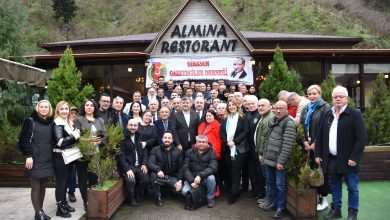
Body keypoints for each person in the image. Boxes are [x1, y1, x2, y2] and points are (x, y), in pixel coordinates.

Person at [315, 86, 366, 220]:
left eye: (341, 96)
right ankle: (336, 210)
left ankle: (352, 212)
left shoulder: (355, 114)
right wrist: (318, 154)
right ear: (332, 99)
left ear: (347, 99)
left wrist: (354, 157)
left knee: (352, 188)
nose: (338, 99)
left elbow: (361, 139)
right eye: (335, 97)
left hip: (349, 160)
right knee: (335, 185)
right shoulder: (328, 113)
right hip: (331, 158)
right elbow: (320, 136)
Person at [259, 101, 296, 219]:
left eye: (281, 109)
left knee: (280, 185)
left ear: (287, 109)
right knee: (271, 183)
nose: (278, 111)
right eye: (276, 108)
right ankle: (274, 203)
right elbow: (268, 140)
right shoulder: (274, 120)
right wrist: (264, 156)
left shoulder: (288, 123)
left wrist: (281, 162)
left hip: (279, 162)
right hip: (269, 159)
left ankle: (281, 208)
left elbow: (288, 144)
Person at [19, 100, 55, 220]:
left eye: (46, 107)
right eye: (42, 107)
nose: (44, 109)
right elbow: (23, 140)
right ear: (37, 108)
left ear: (49, 109)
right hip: (34, 158)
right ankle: (38, 213)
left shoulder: (50, 122)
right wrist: (28, 156)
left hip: (47, 158)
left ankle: (41, 211)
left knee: (43, 186)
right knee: (36, 187)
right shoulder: (30, 121)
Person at [300, 85, 331, 211]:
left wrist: (315, 143)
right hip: (308, 145)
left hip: (320, 146)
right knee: (312, 172)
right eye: (309, 94)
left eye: (314, 93)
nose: (312, 96)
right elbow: (302, 126)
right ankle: (316, 197)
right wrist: (304, 142)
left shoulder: (325, 107)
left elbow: (325, 128)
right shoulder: (307, 107)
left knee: (321, 172)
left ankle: (323, 199)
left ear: (320, 94)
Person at [74, 99, 107, 211]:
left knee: (93, 177)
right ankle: (85, 201)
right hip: (82, 155)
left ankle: (92, 199)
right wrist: (88, 140)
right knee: (83, 179)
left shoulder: (100, 120)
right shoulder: (79, 120)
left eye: (91, 105)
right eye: (87, 105)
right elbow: (76, 137)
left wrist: (100, 141)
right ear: (84, 107)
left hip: (95, 154)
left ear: (95, 108)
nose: (89, 107)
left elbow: (105, 135)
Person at [52, 101, 80, 218]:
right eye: (62, 109)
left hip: (68, 156)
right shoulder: (57, 123)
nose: (64, 111)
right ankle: (59, 208)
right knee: (61, 183)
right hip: (60, 157)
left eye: (66, 109)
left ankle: (64, 203)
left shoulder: (67, 122)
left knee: (65, 182)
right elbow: (60, 142)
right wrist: (74, 135)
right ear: (57, 111)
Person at [220, 100, 249, 205]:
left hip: (239, 148)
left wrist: (235, 142)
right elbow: (221, 132)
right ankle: (233, 189)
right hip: (228, 147)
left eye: (233, 105)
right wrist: (226, 142)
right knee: (230, 170)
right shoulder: (225, 118)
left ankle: (234, 194)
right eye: (230, 105)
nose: (231, 107)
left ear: (237, 106)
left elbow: (245, 131)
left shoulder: (243, 117)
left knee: (236, 170)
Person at [118, 119, 150, 207]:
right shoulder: (122, 138)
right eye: (131, 125)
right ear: (127, 126)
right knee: (131, 181)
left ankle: (136, 193)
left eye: (135, 125)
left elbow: (145, 153)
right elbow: (121, 156)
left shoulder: (140, 136)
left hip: (139, 165)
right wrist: (127, 169)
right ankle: (131, 199)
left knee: (147, 180)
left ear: (137, 127)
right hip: (128, 166)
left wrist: (144, 164)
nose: (133, 127)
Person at [148, 131, 183, 207]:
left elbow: (181, 168)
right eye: (165, 138)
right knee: (153, 175)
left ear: (172, 140)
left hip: (172, 177)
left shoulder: (178, 151)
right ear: (162, 139)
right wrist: (158, 170)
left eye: (169, 138)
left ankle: (167, 190)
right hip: (160, 177)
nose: (167, 139)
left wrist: (180, 181)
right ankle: (158, 197)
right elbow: (150, 163)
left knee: (181, 191)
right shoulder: (155, 149)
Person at [182, 135, 218, 208]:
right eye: (199, 142)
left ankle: (210, 198)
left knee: (211, 178)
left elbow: (213, 167)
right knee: (184, 192)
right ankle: (201, 191)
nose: (201, 144)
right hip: (191, 178)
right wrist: (191, 181)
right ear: (196, 143)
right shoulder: (189, 152)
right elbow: (185, 168)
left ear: (207, 143)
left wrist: (200, 175)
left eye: (203, 142)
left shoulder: (212, 153)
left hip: (204, 178)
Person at [254, 98, 274, 206]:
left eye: (263, 105)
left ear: (270, 106)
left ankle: (269, 200)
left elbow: (264, 138)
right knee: (267, 177)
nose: (260, 107)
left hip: (265, 154)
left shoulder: (268, 119)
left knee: (268, 178)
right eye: (259, 105)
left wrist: (261, 153)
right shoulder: (263, 117)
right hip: (262, 153)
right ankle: (268, 198)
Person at [198, 110, 222, 197]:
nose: (208, 117)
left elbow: (218, 141)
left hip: (212, 152)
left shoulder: (217, 126)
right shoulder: (203, 125)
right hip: (203, 151)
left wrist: (215, 153)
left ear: (214, 116)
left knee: (215, 171)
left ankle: (217, 188)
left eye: (210, 116)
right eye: (207, 116)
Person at [244, 95, 264, 199]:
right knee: (252, 171)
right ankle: (254, 189)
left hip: (257, 148)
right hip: (249, 148)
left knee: (259, 171)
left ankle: (261, 191)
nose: (251, 105)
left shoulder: (260, 115)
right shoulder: (247, 114)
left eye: (253, 104)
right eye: (249, 104)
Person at [67, 106, 79, 203]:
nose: (74, 115)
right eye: (72, 113)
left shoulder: (78, 124)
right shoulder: (64, 124)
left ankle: (71, 191)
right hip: (66, 153)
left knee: (73, 173)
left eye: (75, 113)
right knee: (68, 174)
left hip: (77, 152)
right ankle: (67, 193)